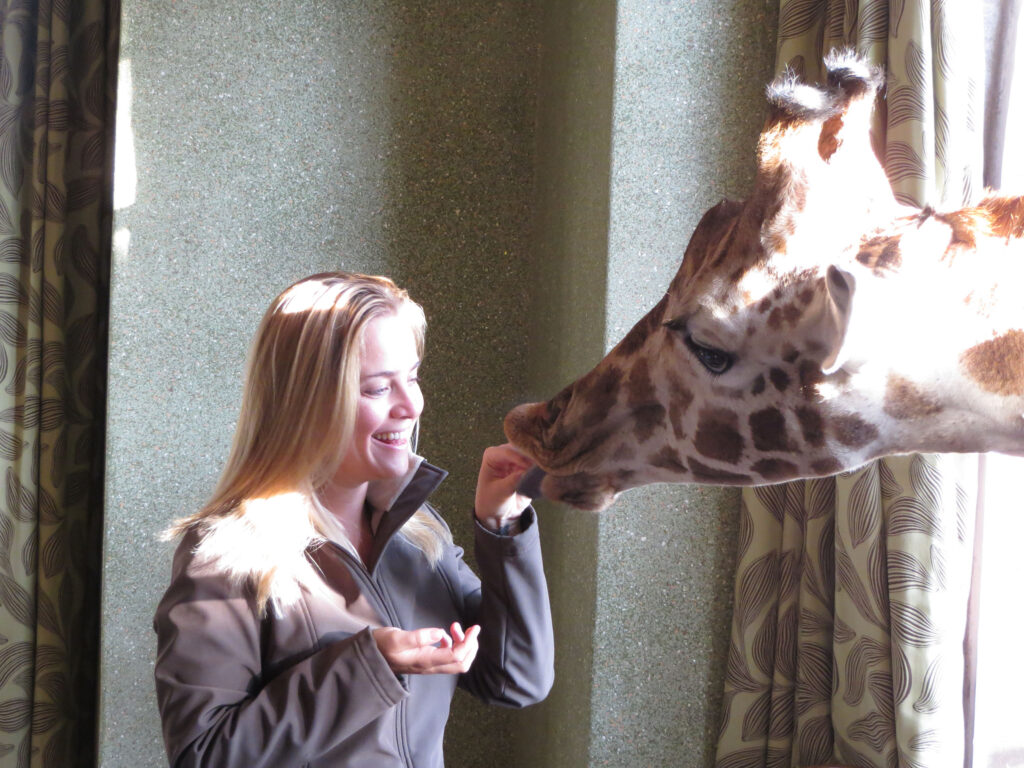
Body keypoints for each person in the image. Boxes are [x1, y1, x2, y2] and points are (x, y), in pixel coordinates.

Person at [153, 271, 554, 767]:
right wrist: (368, 664)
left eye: (412, 377)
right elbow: (204, 756)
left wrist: (503, 527)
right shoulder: (224, 555)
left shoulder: (417, 533)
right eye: (376, 388)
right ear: (306, 403)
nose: (410, 406)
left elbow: (516, 679)